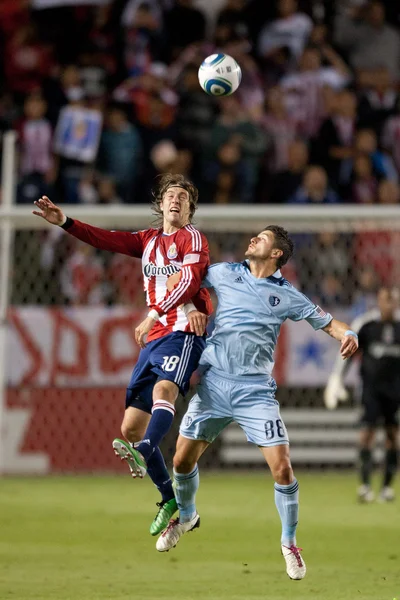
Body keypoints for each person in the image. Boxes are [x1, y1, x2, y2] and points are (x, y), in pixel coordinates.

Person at [153, 225, 359, 580]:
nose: (252, 239)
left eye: (261, 238)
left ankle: (290, 543)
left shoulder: (287, 295)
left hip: (255, 392)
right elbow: (178, 282)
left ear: (276, 253)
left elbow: (327, 323)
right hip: (215, 382)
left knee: (282, 468)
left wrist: (349, 333)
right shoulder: (224, 272)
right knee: (181, 460)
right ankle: (187, 516)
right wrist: (189, 308)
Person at [32, 173, 213, 536]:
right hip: (155, 339)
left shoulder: (192, 238)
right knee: (129, 428)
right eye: (169, 195)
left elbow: (191, 281)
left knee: (165, 393)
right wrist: (65, 222)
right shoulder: (146, 241)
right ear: (159, 204)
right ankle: (169, 498)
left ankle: (149, 447)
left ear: (191, 208)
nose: (175, 200)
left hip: (183, 331)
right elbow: (105, 239)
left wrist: (153, 314)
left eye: (183, 196)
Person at [324, 287, 400, 504]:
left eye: (393, 300)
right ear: (379, 300)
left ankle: (386, 487)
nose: (390, 304)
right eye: (386, 299)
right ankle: (365, 485)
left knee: (393, 437)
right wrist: (337, 378)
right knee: (367, 434)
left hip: (395, 391)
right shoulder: (367, 325)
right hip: (371, 390)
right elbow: (348, 349)